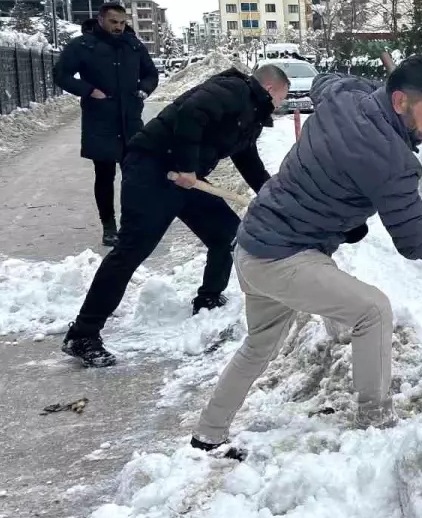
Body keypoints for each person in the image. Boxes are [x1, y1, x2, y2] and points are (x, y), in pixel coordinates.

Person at [191, 56, 422, 453]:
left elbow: (324, 81)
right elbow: (415, 242)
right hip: (285, 257)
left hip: (253, 242)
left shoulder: (342, 97)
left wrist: (373, 89)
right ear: (400, 101)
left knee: (260, 345)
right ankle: (375, 422)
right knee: (373, 311)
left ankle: (208, 432)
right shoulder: (392, 161)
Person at [60, 64, 291, 368]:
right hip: (152, 169)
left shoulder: (251, 114)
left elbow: (246, 158)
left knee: (227, 234)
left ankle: (208, 298)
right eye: (282, 97)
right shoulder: (233, 90)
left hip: (186, 178)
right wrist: (186, 166)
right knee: (131, 250)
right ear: (270, 89)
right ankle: (83, 334)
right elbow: (190, 114)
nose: (281, 104)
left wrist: (271, 195)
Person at [53, 3, 158, 247]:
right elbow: (61, 75)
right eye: (113, 22)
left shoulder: (133, 45)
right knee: (104, 175)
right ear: (100, 20)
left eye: (122, 22)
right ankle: (109, 227)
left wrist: (144, 90)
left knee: (135, 174)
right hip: (100, 119)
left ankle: (133, 223)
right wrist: (89, 90)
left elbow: (151, 74)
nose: (118, 27)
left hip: (130, 119)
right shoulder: (83, 46)